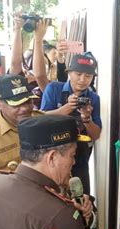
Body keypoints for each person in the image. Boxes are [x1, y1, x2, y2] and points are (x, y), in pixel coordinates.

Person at [40, 53, 102, 195]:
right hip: (53, 155)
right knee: (54, 196)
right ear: (69, 73)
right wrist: (66, 109)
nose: (82, 80)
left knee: (81, 195)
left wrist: (87, 118)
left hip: (80, 156)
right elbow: (41, 120)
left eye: (88, 76)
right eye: (78, 74)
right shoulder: (53, 89)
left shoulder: (93, 98)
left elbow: (96, 135)